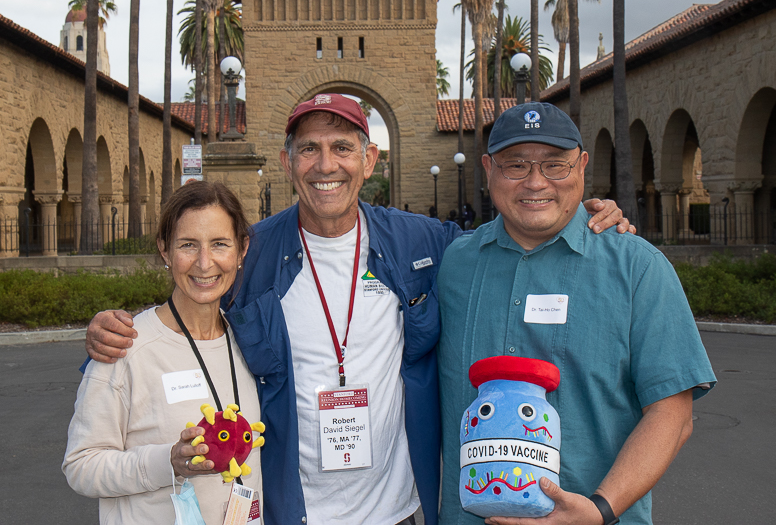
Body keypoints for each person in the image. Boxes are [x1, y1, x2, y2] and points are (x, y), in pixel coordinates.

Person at [84, 94, 633, 525]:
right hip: (287, 510)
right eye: (309, 149)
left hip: (396, 509)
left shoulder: (423, 243)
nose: (327, 165)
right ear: (287, 161)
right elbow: (194, 291)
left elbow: (511, 236)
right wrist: (109, 337)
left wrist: (578, 212)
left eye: (343, 147)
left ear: (369, 159)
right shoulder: (253, 253)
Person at [436, 102, 716, 525]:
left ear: (582, 166)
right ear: (488, 168)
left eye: (555, 166)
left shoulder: (637, 268)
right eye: (515, 166)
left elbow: (672, 415)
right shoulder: (453, 264)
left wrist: (600, 508)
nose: (536, 183)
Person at [63, 181, 262, 524]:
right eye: (188, 245)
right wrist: (166, 461)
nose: (204, 262)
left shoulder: (249, 343)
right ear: (165, 251)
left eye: (219, 244)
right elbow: (81, 465)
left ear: (241, 250)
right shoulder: (127, 347)